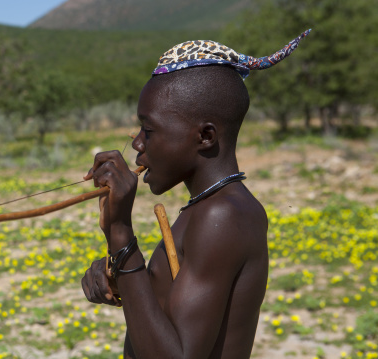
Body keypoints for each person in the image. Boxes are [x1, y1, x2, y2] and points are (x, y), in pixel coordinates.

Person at [81, 30, 311, 358]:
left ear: (205, 136)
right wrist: (120, 276)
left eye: (149, 130)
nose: (137, 144)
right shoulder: (207, 209)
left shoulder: (224, 216)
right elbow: (170, 312)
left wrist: (121, 236)